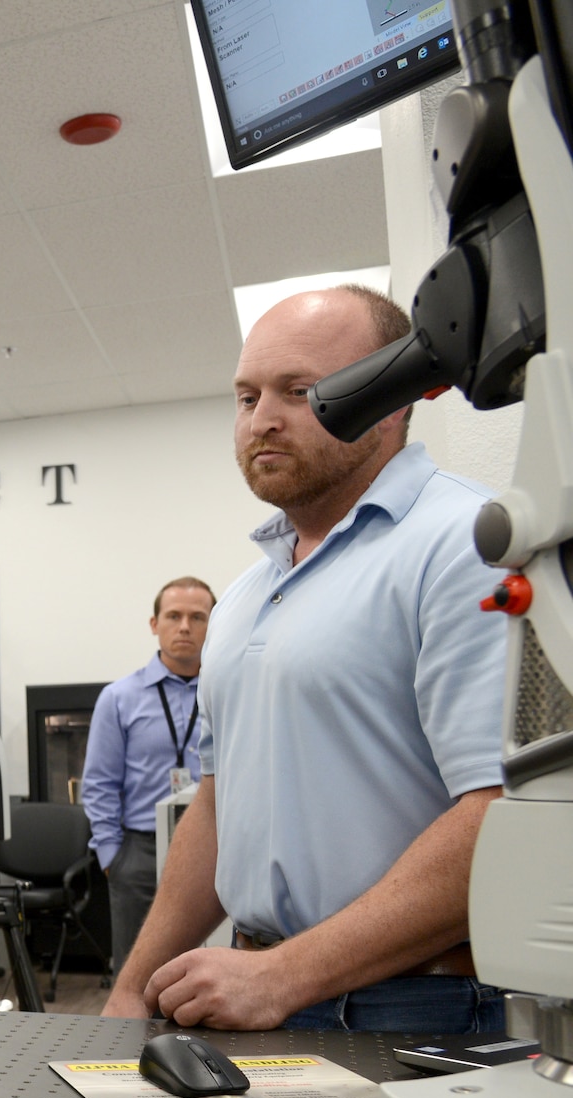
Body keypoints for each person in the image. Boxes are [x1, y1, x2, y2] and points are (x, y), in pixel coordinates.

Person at [102, 285, 505, 1032]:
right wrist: (133, 985)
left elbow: (502, 810)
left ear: (391, 394)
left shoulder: (468, 541)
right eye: (247, 395)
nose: (262, 419)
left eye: (298, 390)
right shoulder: (250, 593)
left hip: (414, 1006)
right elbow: (221, 805)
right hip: (257, 992)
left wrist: (284, 974)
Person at [81, 577, 215, 973]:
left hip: (216, 844)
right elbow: (99, 783)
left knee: (209, 967)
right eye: (173, 616)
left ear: (214, 624)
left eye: (197, 616)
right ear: (155, 624)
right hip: (139, 852)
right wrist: (112, 857)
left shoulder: (228, 689)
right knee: (136, 972)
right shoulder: (119, 698)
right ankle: (133, 1039)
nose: (185, 626)